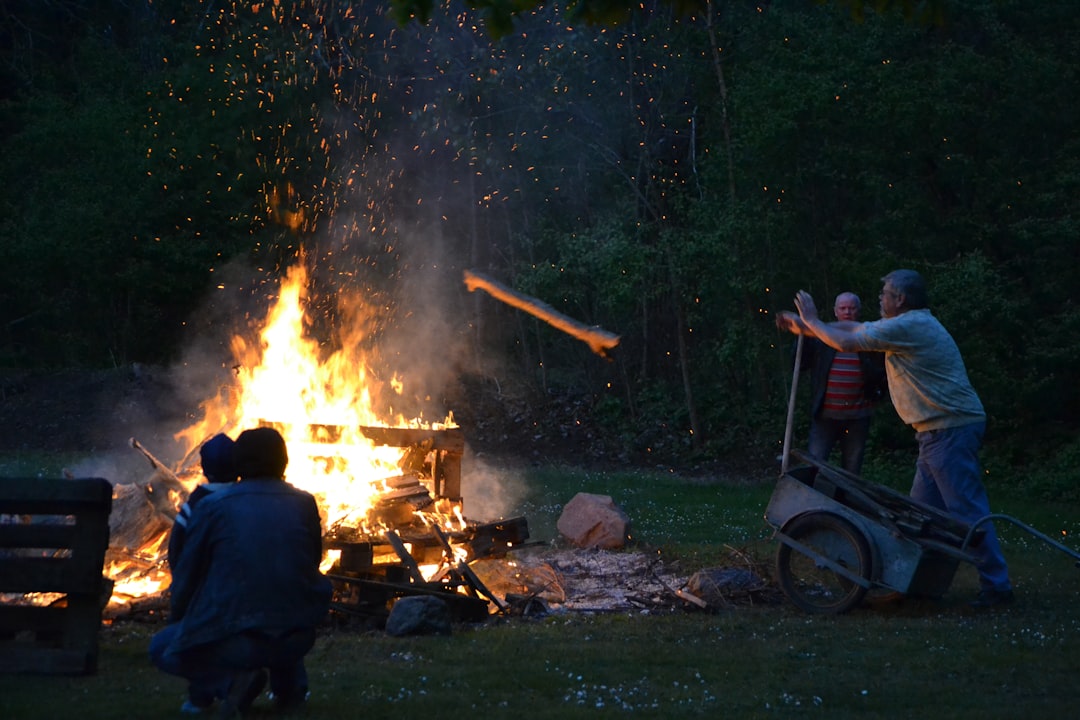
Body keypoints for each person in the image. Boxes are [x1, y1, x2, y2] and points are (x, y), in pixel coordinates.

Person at [776, 269, 1013, 608]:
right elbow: (851, 329)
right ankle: (916, 583)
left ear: (900, 299)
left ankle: (997, 587)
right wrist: (806, 327)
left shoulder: (911, 326)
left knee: (966, 511)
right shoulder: (911, 324)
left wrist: (812, 318)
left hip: (948, 429)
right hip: (935, 434)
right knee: (918, 516)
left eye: (885, 293)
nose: (880, 298)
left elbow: (845, 342)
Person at [149, 427, 332, 716]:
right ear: (284, 462)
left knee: (162, 647)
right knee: (277, 602)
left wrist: (180, 622)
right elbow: (311, 562)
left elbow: (188, 574)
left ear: (238, 465)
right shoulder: (305, 502)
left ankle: (229, 681)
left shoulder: (212, 506)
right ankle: (290, 688)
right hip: (298, 633)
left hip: (237, 636)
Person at [796, 292, 887, 475]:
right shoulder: (822, 336)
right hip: (825, 416)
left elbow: (883, 371)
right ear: (835, 311)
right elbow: (800, 364)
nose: (847, 312)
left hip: (857, 416)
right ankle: (813, 501)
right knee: (815, 463)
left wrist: (878, 394)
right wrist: (804, 334)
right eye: (843, 308)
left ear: (858, 311)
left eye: (851, 308)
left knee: (852, 470)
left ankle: (846, 502)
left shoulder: (868, 337)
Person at [167, 433, 238, 572]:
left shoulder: (194, 505)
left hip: (206, 588)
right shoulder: (246, 501)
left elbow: (176, 550)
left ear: (204, 470)